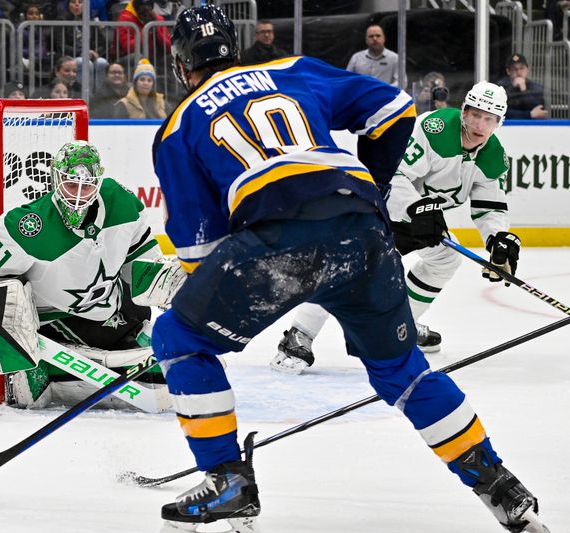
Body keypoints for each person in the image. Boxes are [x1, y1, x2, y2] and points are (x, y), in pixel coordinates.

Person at [151, 7, 546, 533]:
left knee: (179, 336)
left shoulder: (178, 127)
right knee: (403, 371)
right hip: (361, 227)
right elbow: (395, 108)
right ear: (236, 48)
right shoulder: (291, 69)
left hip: (278, 235)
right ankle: (497, 482)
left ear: (181, 67)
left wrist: (216, 297)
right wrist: (378, 198)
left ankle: (227, 477)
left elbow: (201, 254)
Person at [274, 81, 518, 373]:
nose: (480, 124)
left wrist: (497, 240)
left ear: (498, 123)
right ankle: (300, 333)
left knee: (445, 259)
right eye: (475, 114)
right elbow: (395, 174)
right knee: (350, 269)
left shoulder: (493, 156)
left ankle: (403, 326)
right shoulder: (435, 128)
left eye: (489, 119)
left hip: (424, 221)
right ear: (464, 111)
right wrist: (416, 209)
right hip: (384, 208)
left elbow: (490, 207)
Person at [0, 141, 166, 408]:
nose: (78, 195)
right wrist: (8, 317)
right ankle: (31, 370)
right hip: (59, 321)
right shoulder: (31, 226)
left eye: (86, 186)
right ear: (56, 179)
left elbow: (140, 259)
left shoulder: (121, 203)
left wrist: (163, 284)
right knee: (157, 368)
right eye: (71, 184)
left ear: (98, 182)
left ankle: (125, 344)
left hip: (113, 311)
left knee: (151, 323)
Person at [496, 53, 547, 120]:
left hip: (532, 126)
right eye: (514, 69)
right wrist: (529, 114)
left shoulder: (536, 87)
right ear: (508, 71)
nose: (518, 72)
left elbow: (539, 111)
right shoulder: (499, 87)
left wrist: (524, 90)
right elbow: (499, 111)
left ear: (527, 69)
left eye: (521, 68)